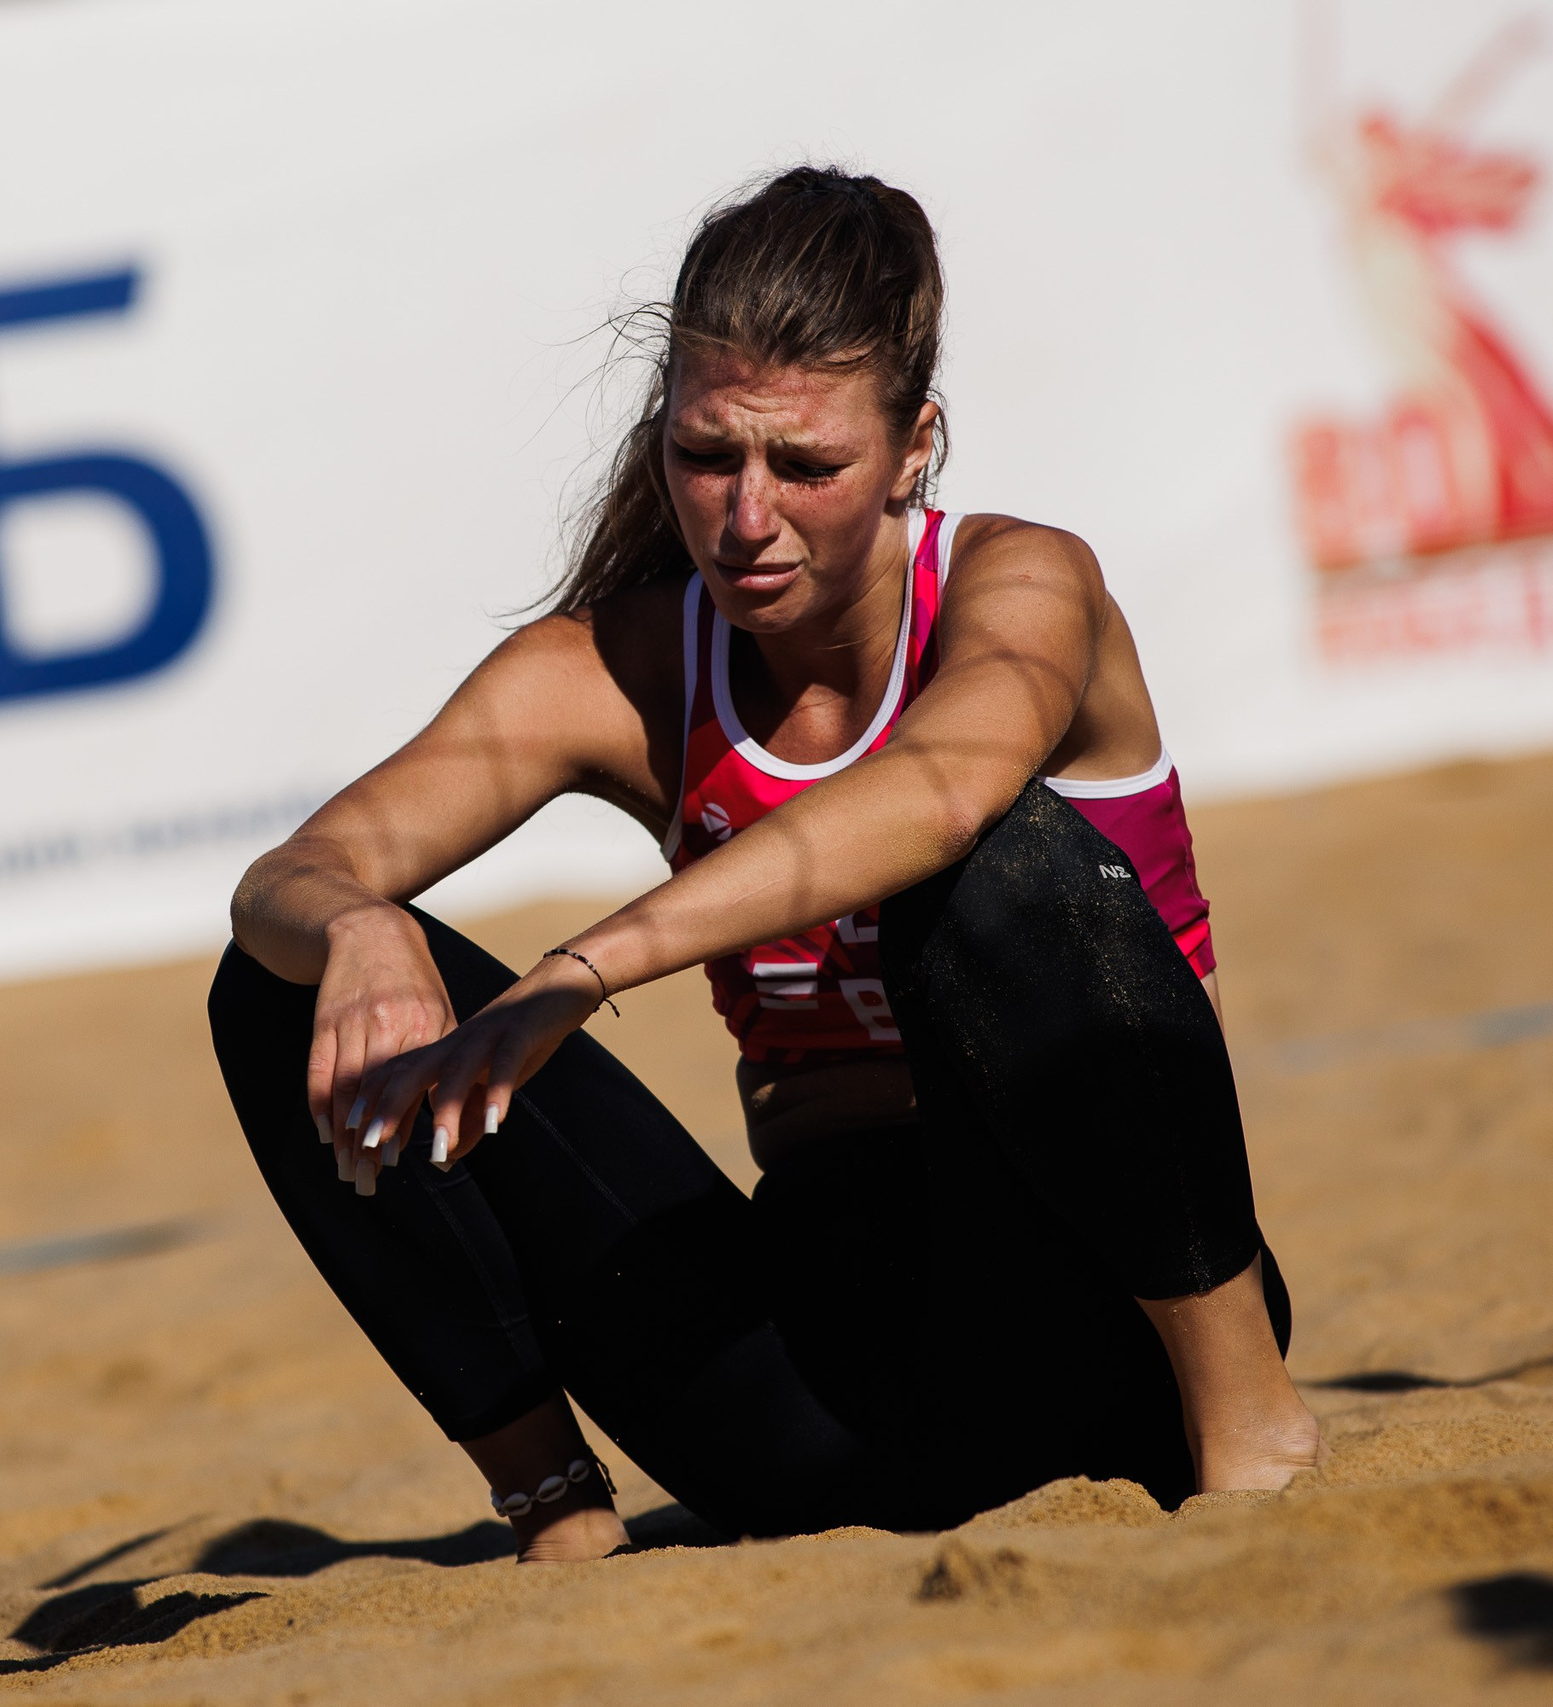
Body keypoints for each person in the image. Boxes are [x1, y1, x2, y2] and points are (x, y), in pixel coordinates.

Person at [208, 167, 1321, 1562]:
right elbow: (286, 877)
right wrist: (362, 926)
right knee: (272, 986)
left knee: (989, 862)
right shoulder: (614, 669)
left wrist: (580, 970)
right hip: (821, 1401)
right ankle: (555, 1512)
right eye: (706, 456)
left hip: (1104, 1331)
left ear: (916, 446)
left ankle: (1251, 1425)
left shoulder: (1027, 582)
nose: (746, 516)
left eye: (805, 466)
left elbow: (938, 793)